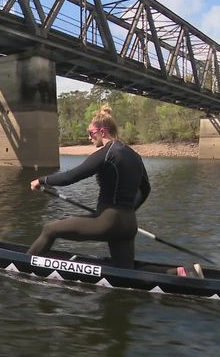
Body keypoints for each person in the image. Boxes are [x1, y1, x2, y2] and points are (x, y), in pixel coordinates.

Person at [28, 104, 150, 269]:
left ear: (102, 131)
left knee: (50, 229)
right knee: (127, 274)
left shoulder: (106, 154)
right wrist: (126, 213)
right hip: (129, 224)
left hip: (108, 223)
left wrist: (41, 180)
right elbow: (146, 189)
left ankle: (23, 265)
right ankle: (179, 273)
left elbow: (71, 176)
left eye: (90, 133)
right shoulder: (135, 156)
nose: (89, 138)